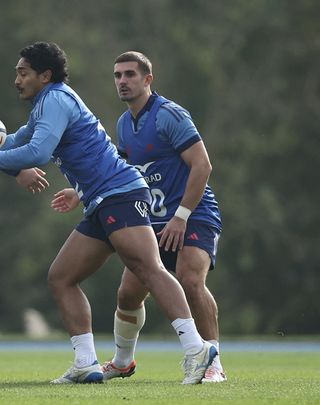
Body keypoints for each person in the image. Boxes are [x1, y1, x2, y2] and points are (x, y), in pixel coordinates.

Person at [0, 42, 216, 385]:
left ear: (44, 75)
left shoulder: (56, 100)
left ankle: (197, 348)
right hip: (100, 199)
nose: (16, 79)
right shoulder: (46, 104)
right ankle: (86, 362)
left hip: (120, 193)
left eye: (23, 72)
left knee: (147, 268)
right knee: (61, 277)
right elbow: (21, 138)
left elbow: (38, 151)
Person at [100, 51, 226, 383]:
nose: (123, 81)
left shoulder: (169, 115)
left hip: (193, 214)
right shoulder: (124, 124)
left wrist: (182, 216)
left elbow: (203, 165)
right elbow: (123, 170)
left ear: (147, 79)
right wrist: (80, 191)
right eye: (117, 76)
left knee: (190, 279)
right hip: (154, 220)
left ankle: (212, 361)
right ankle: (122, 361)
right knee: (127, 293)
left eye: (130, 74)